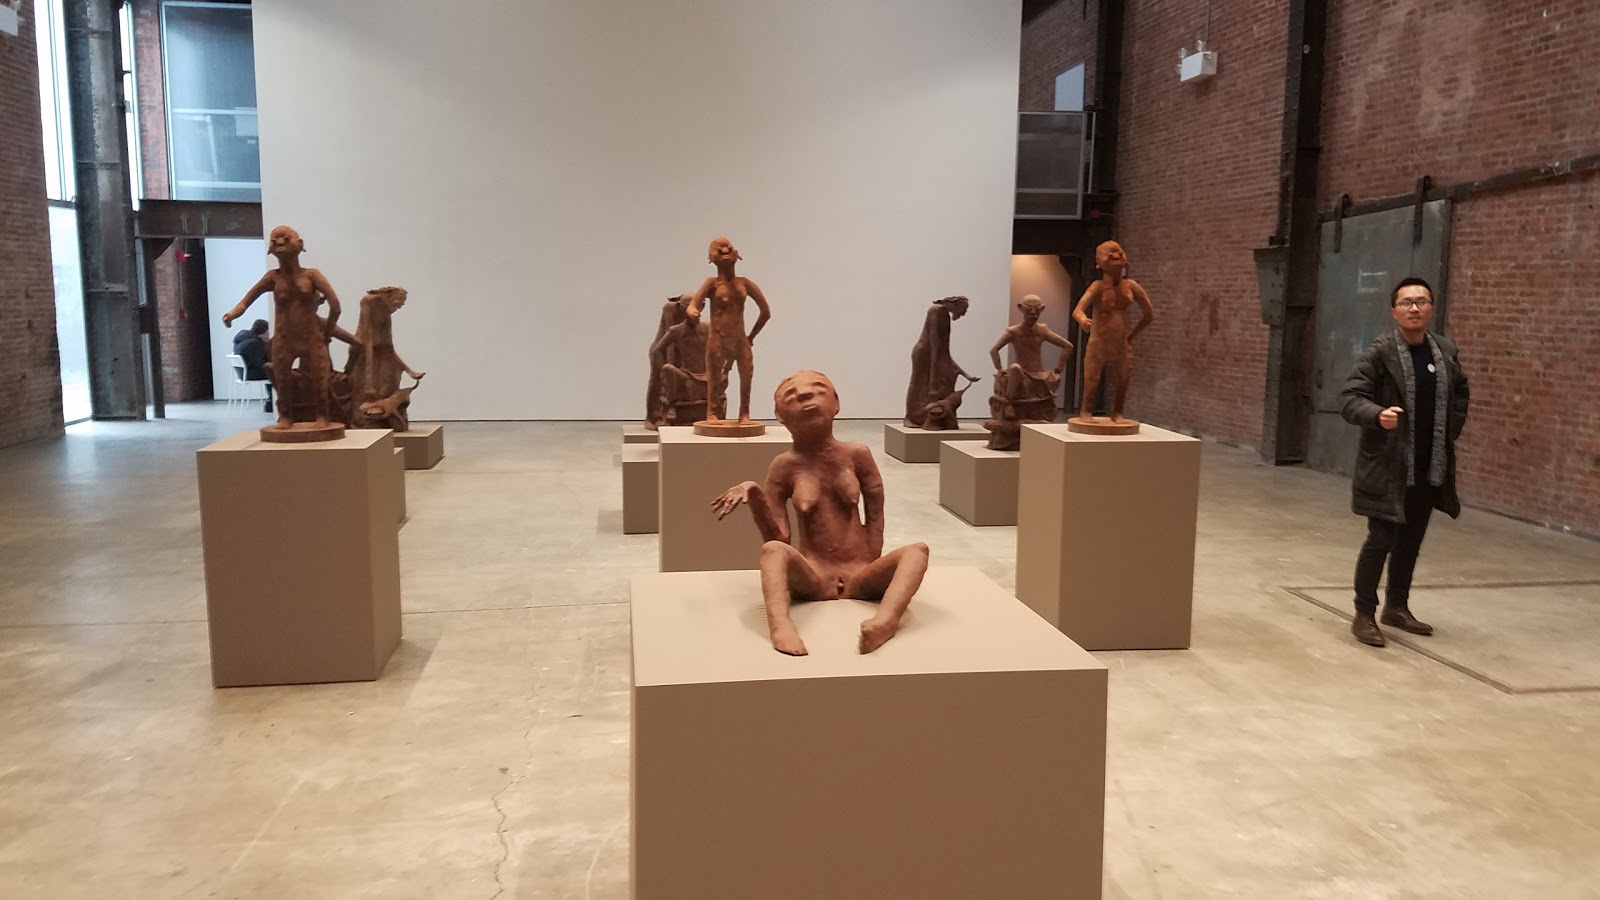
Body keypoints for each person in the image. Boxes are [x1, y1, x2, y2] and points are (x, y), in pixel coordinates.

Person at [712, 370, 929, 656]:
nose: (804, 395)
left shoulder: (858, 455)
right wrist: (754, 496)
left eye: (817, 389)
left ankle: (885, 621)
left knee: (917, 551)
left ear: (836, 403)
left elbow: (876, 516)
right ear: (780, 416)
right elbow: (780, 539)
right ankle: (780, 625)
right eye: (791, 396)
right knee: (772, 551)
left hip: (861, 571)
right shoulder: (784, 466)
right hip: (814, 575)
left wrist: (869, 560)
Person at [1339, 276, 1470, 647]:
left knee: (1411, 541)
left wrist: (1450, 429)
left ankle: (1396, 607)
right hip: (1387, 467)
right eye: (1407, 302)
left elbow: (1461, 391)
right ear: (1394, 311)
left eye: (1421, 302)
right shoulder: (1379, 354)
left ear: (1431, 308)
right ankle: (1364, 613)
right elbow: (1349, 398)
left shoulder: (1445, 352)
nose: (1415, 308)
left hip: (1429, 466)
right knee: (1380, 540)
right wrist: (1377, 414)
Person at [221, 225, 342, 431]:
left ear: (300, 244)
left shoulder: (312, 276)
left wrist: (327, 334)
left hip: (311, 339)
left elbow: (335, 306)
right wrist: (232, 314)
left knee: (320, 381)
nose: (279, 243)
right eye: (274, 239)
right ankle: (286, 417)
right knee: (282, 381)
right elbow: (246, 301)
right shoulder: (273, 278)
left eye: (285, 238)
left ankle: (322, 416)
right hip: (284, 341)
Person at [687, 237, 771, 425]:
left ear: (737, 254)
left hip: (740, 341)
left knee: (746, 378)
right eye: (719, 248)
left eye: (728, 247)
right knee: (714, 379)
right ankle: (712, 413)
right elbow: (693, 304)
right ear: (711, 258)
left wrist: (751, 337)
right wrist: (693, 312)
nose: (725, 250)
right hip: (718, 340)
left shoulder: (745, 283)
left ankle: (744, 414)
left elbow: (765, 312)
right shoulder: (711, 284)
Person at [232, 319, 273, 412]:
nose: (269, 336)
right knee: (275, 373)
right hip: (250, 373)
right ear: (261, 334)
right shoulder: (254, 344)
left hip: (242, 373)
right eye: (267, 333)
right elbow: (260, 364)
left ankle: (270, 402)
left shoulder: (242, 337)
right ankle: (272, 403)